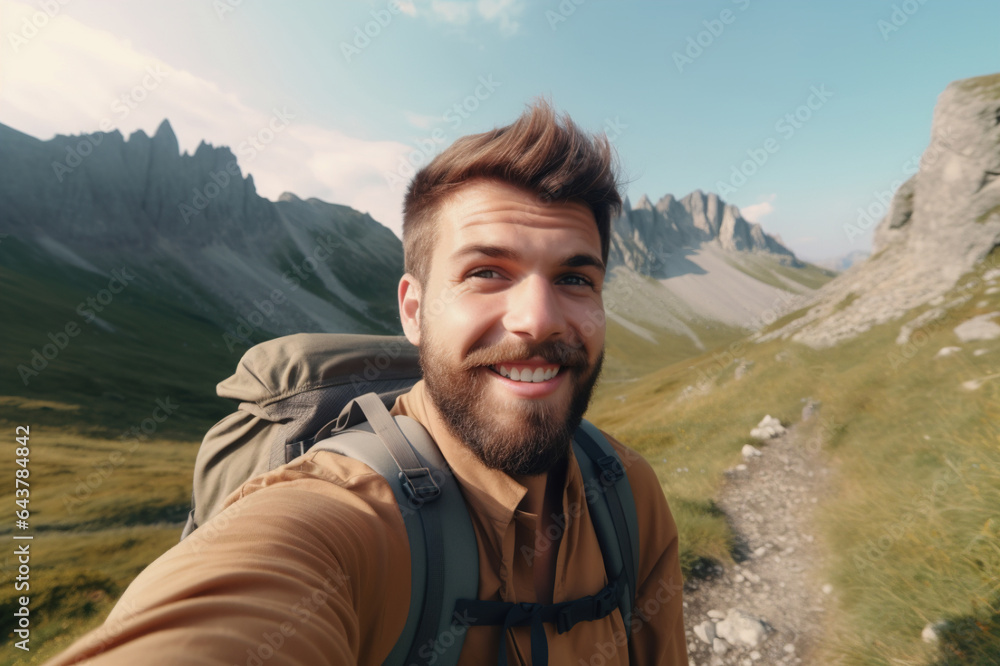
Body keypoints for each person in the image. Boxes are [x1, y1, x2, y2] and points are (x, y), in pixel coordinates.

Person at [44, 99, 687, 665]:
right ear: (412, 309)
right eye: (487, 272)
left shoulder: (628, 496)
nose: (539, 319)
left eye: (576, 278)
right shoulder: (343, 515)